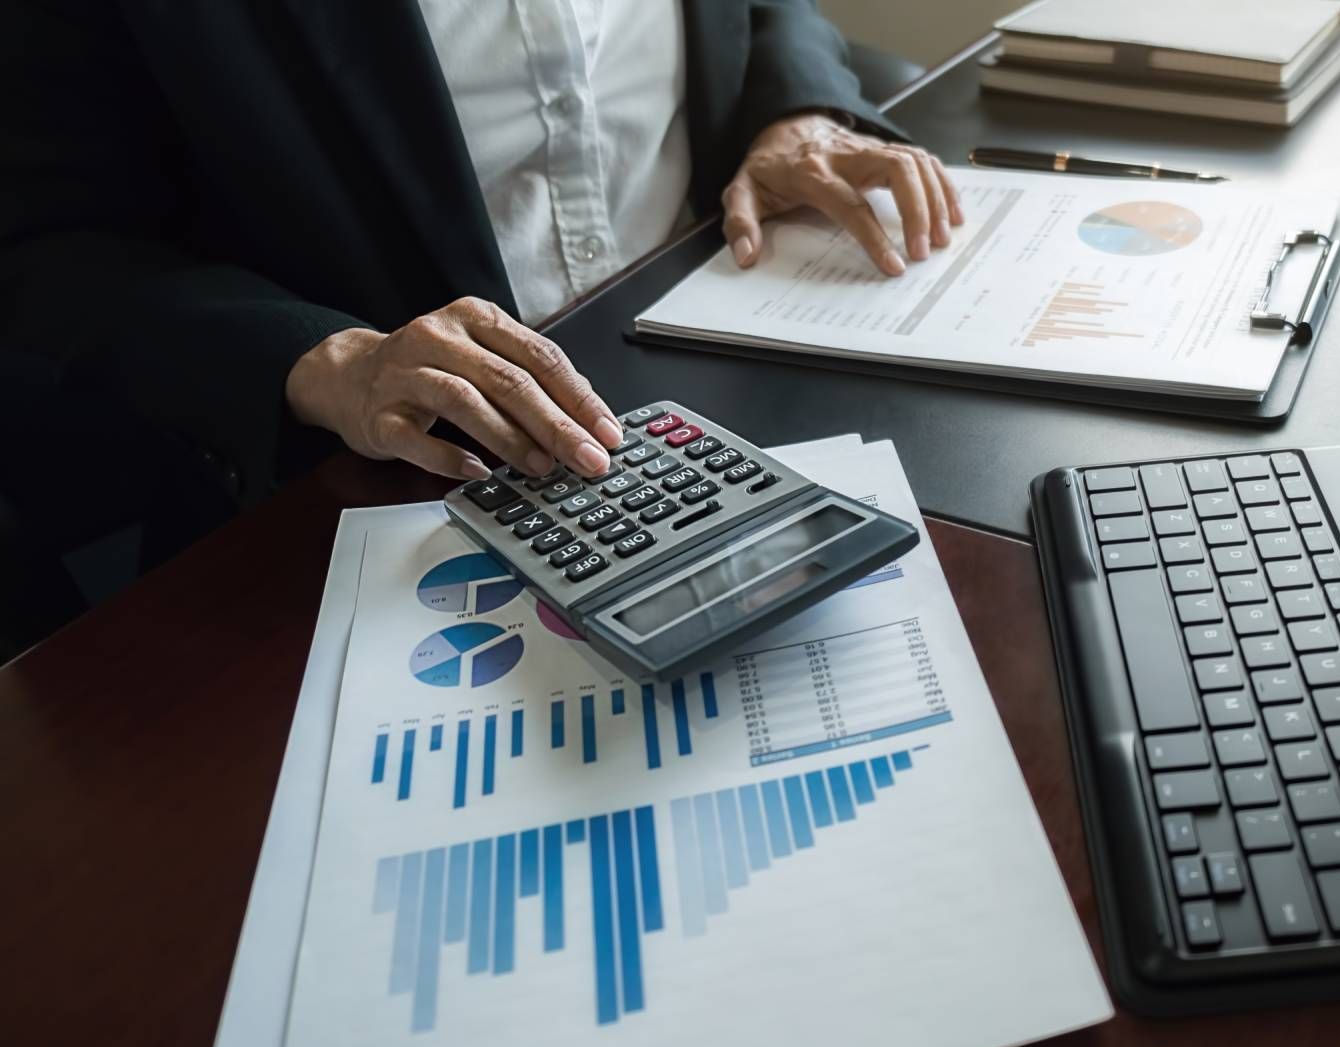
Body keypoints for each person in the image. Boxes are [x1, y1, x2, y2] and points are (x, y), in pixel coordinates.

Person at [0, 1, 959, 652]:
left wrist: (794, 106)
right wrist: (324, 356)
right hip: (376, 483)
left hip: (730, 328)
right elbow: (46, 242)